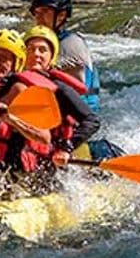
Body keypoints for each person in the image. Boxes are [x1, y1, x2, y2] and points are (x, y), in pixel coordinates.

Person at [0, 28, 56, 176]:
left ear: (17, 62)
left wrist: (10, 119)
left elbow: (44, 138)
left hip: (11, 169)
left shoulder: (22, 90)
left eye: (2, 58)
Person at [22, 25, 103, 167]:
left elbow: (92, 121)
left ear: (51, 57)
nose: (36, 54)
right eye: (31, 49)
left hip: (55, 158)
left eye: (43, 50)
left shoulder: (59, 88)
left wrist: (66, 148)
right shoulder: (14, 84)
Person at [30, 0, 101, 111]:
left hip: (80, 113)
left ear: (61, 15)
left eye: (45, 12)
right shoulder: (42, 43)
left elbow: (47, 71)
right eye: (37, 12)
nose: (39, 17)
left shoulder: (72, 43)